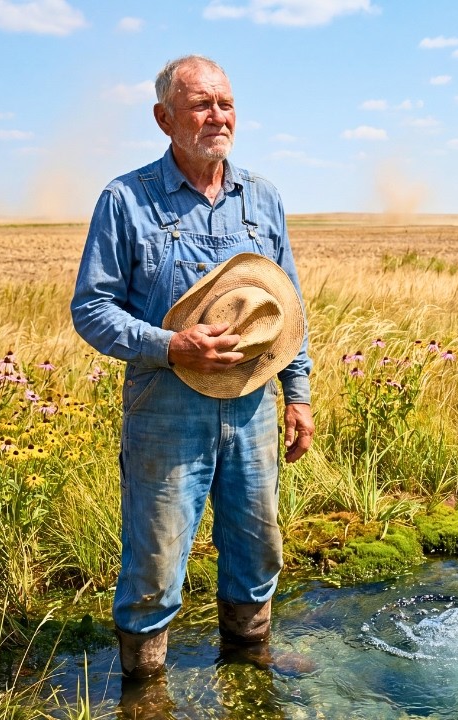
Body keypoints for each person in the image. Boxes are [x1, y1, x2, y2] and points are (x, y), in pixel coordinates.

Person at [70, 54, 314, 681]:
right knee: (154, 563)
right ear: (164, 117)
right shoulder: (126, 199)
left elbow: (287, 307)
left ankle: (250, 666)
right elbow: (91, 309)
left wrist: (299, 394)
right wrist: (171, 344)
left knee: (258, 548)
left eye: (225, 103)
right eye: (201, 104)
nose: (217, 116)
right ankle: (145, 691)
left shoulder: (263, 198)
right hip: (165, 410)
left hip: (255, 406)